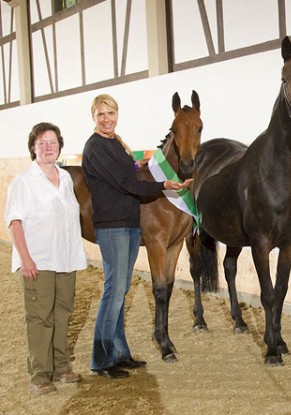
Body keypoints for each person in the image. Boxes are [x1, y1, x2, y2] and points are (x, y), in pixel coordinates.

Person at [82, 94, 192, 379]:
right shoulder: (95, 147)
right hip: (113, 225)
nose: (107, 119)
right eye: (101, 114)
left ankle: (120, 353)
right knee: (113, 292)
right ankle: (102, 359)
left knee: (120, 292)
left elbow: (129, 172)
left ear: (117, 115)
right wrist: (163, 185)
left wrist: (145, 167)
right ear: (93, 117)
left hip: (130, 224)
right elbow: (125, 183)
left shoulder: (116, 143)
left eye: (111, 113)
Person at [4, 122, 87, 396]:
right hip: (38, 260)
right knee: (40, 318)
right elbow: (15, 222)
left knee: (62, 314)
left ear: (60, 146)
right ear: (33, 148)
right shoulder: (24, 182)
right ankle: (40, 375)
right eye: (42, 143)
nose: (48, 147)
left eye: (53, 142)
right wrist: (25, 259)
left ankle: (61, 367)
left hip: (64, 259)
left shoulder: (65, 179)